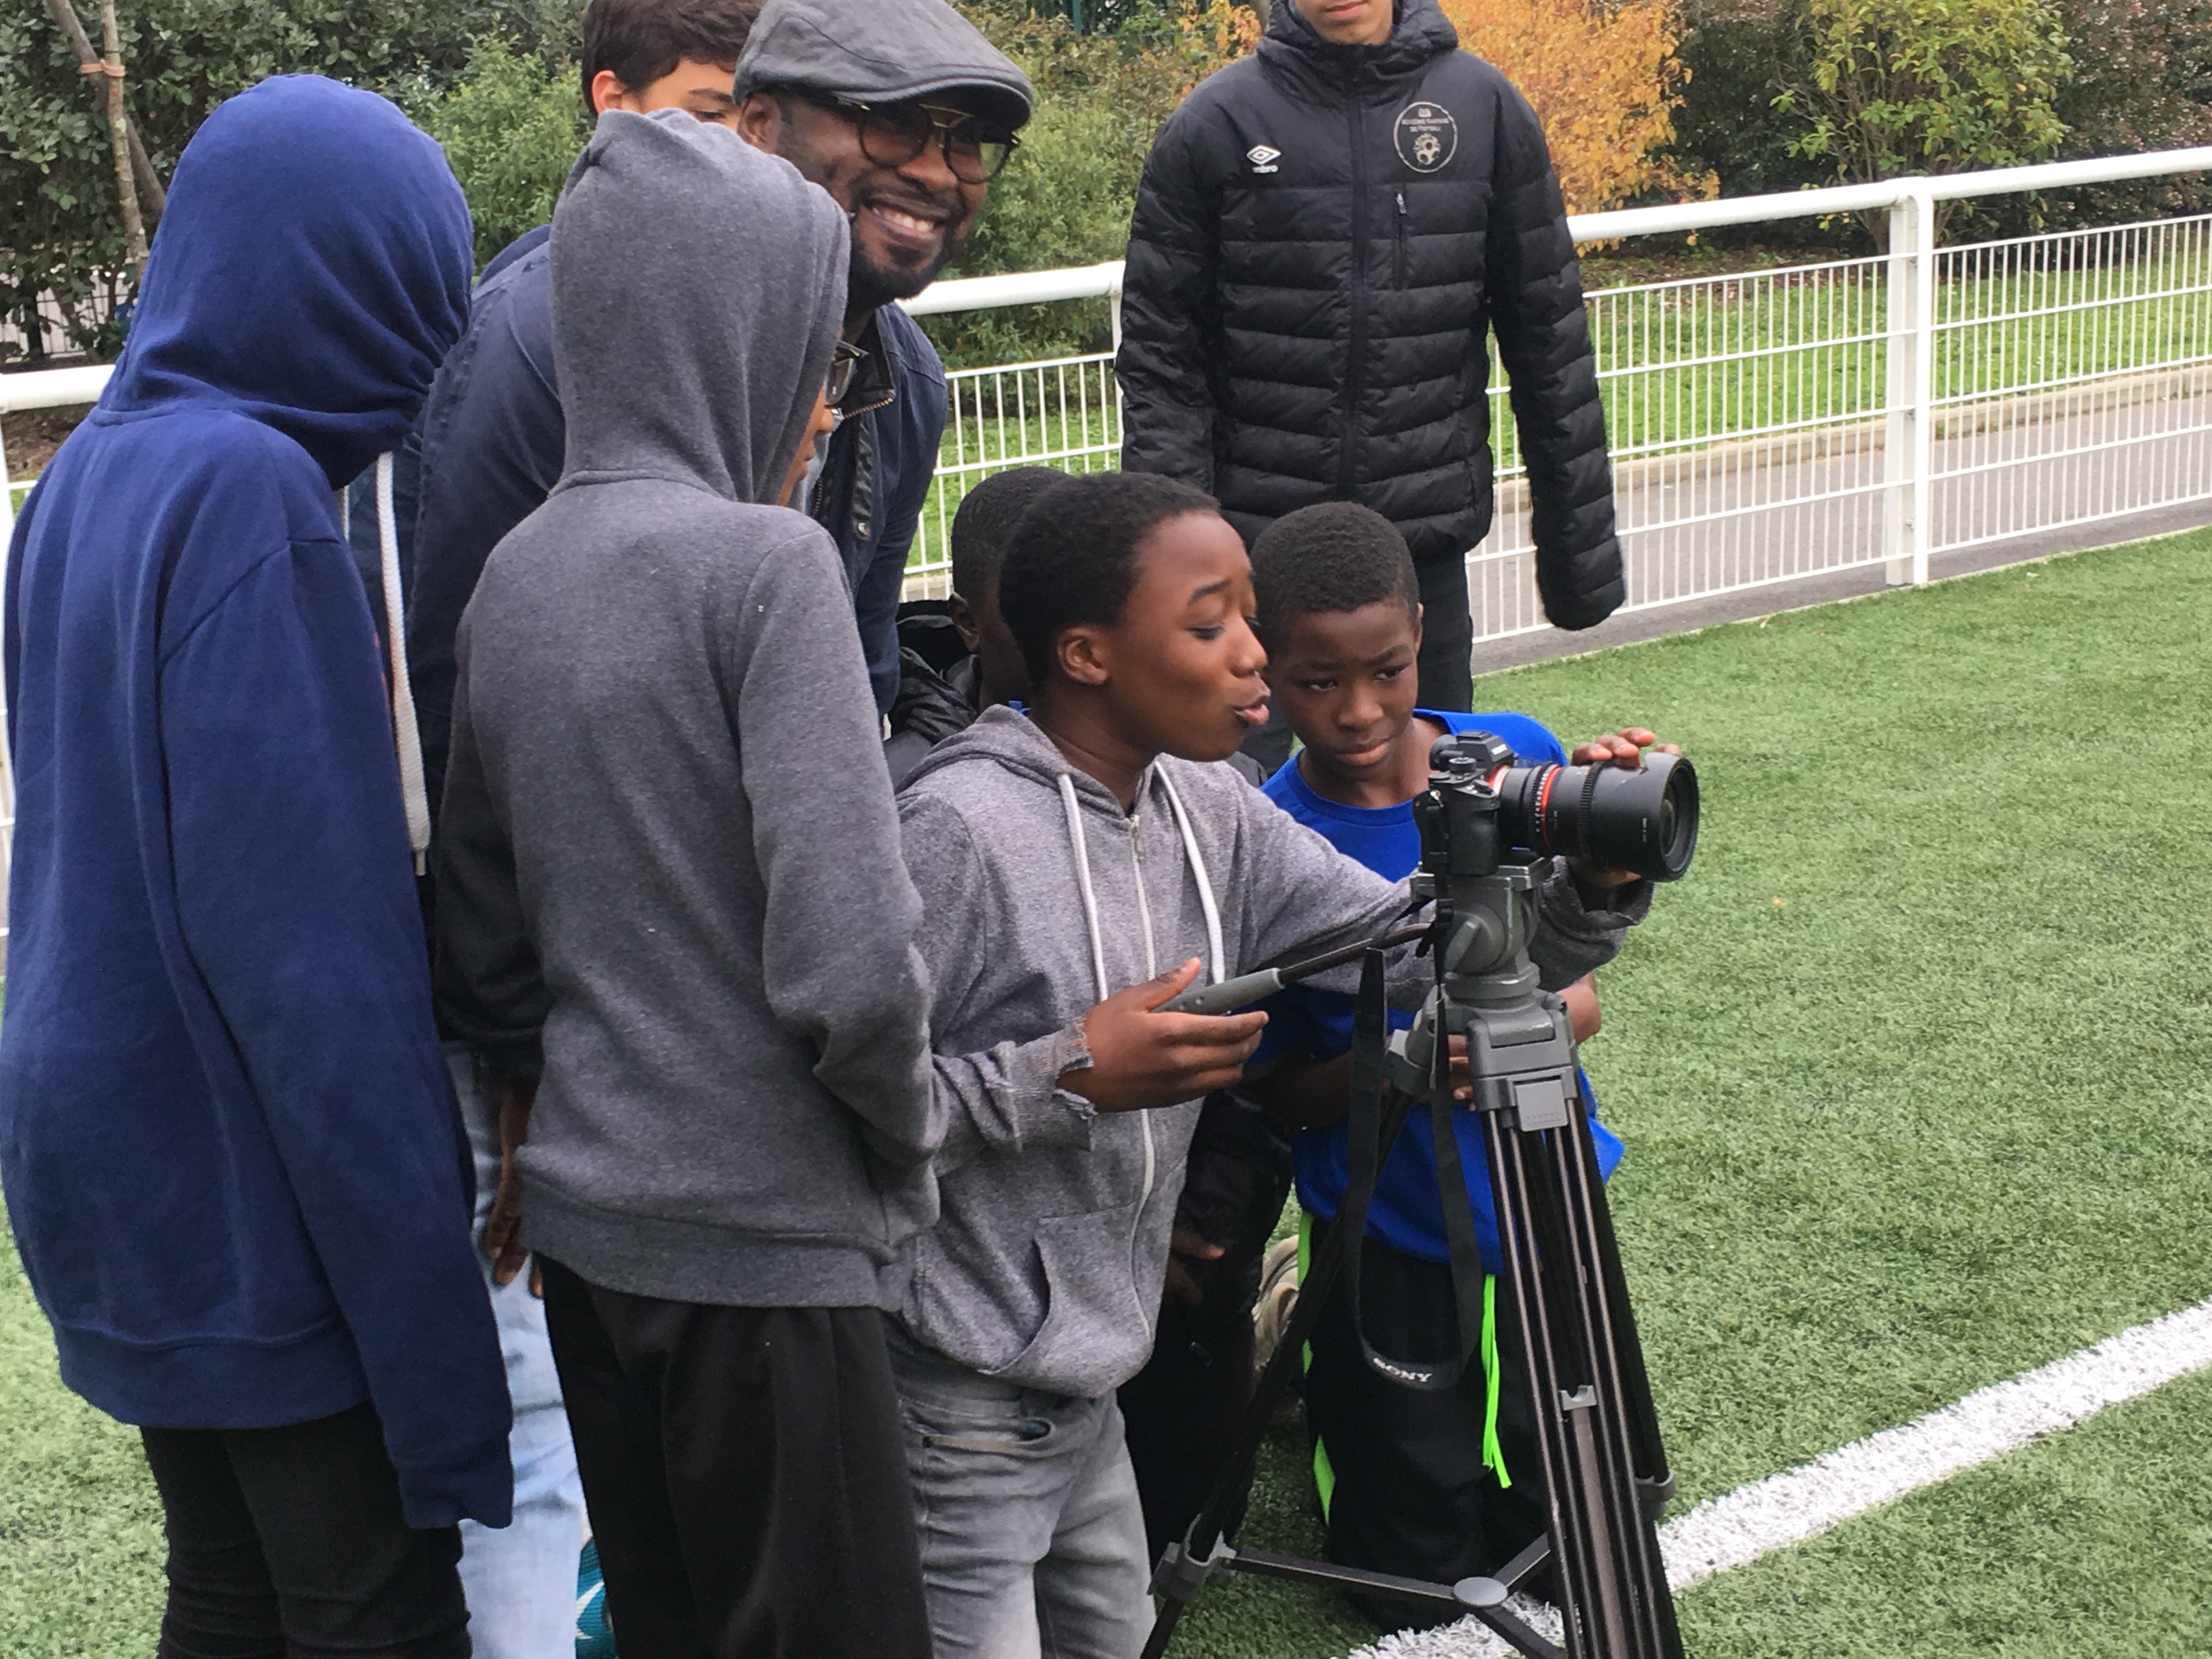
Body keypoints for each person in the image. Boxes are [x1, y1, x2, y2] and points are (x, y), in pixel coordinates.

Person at [888, 471, 1643, 1655]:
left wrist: (1587, 882)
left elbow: (1424, 955)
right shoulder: (958, 834)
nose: (1254, 657)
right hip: (954, 1394)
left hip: (1091, 1381)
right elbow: (821, 1114)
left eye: (1248, 618)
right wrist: (1070, 1073)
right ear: (1086, 654)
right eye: (1212, 624)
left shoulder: (1211, 807)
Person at [0, 76, 510, 1658]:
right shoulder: (255, 495)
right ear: (344, 278)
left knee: (229, 1583)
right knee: (377, 1607)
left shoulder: (87, 472)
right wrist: (424, 1301)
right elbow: (305, 960)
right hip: (240, 1163)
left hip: (101, 1140)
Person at [433, 110, 936, 1659]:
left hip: (591, 1239)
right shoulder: (765, 567)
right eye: (820, 352)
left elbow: (479, 923)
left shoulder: (519, 569)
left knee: (664, 1624)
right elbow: (853, 964)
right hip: (765, 1248)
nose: (825, 398)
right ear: (749, 337)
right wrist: (908, 1138)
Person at [1241, 500, 1663, 1629]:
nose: (1360, 709)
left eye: (1385, 668)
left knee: (1587, 1539)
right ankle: (1291, 1328)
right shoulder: (1266, 839)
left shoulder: (1514, 757)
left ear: (1422, 630)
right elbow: (1274, 1093)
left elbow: (1575, 989)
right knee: (1404, 1582)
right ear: (1266, 664)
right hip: (1385, 1222)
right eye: (1317, 681)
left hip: (1546, 1191)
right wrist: (1408, 1062)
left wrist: (1610, 884)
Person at [1115, 0, 1626, 758]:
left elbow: (1548, 339)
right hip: (1252, 561)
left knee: (1432, 815)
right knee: (1228, 811)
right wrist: (1183, 559)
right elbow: (1161, 359)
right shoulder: (1216, 122)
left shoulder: (1483, 110)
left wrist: (1580, 562)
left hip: (1419, 554)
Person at [885, 464, 1063, 785]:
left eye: (1098, 606)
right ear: (968, 623)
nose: (1078, 635)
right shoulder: (903, 785)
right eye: (1038, 611)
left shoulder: (1157, 745)